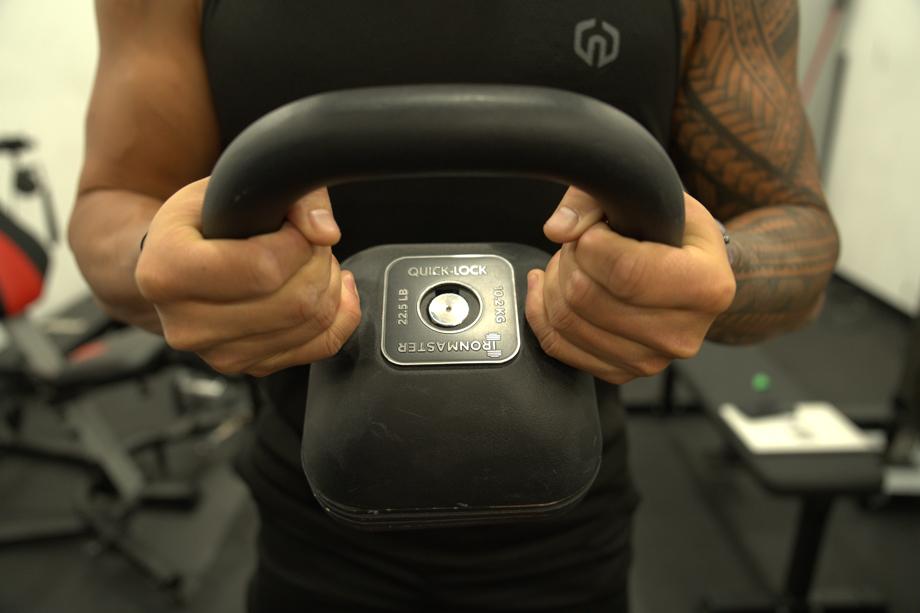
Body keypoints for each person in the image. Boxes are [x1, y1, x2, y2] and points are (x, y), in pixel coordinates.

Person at [69, 1, 838, 611]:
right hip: (312, 504)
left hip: (567, 509)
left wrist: (710, 273)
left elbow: (796, 226)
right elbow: (112, 202)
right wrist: (163, 264)